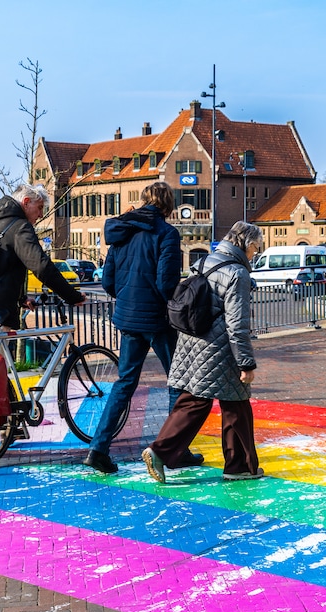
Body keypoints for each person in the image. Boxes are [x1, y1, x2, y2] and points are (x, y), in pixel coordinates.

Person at [143, 221, 265, 483]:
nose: (256, 253)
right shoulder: (238, 273)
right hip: (220, 348)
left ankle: (160, 451)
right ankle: (239, 466)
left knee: (195, 400)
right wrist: (246, 363)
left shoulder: (204, 262)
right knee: (236, 404)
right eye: (256, 247)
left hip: (192, 341)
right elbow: (237, 324)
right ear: (246, 243)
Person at [82, 182, 184, 474]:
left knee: (125, 383)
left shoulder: (122, 231)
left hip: (128, 318)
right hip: (157, 319)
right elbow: (166, 282)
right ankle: (174, 449)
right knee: (178, 381)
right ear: (168, 205)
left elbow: (108, 281)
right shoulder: (167, 233)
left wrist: (127, 297)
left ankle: (98, 449)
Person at [0, 183, 85, 353]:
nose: (41, 215)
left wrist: (21, 298)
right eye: (39, 208)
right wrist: (72, 296)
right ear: (26, 202)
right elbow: (42, 266)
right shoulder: (20, 227)